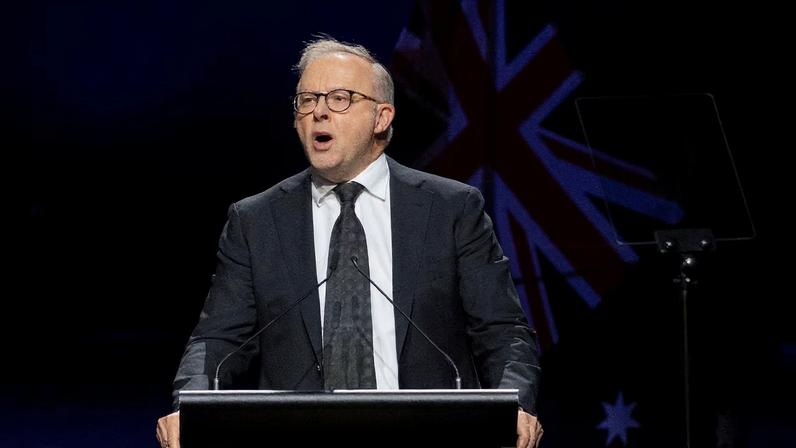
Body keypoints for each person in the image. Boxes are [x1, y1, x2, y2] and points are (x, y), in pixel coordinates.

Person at [156, 36, 543, 448]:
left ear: (381, 117)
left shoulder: (452, 209)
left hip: (429, 437)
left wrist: (515, 404)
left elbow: (503, 332)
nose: (319, 112)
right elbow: (217, 341)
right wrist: (188, 405)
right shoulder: (256, 221)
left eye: (340, 98)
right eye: (307, 100)